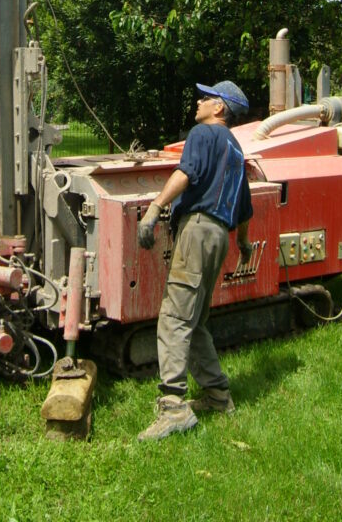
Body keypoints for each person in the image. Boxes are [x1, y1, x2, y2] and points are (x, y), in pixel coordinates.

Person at [136, 80, 253, 441]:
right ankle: (218, 395)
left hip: (198, 229)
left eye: (206, 97)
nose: (199, 101)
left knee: (174, 317)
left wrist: (154, 209)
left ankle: (174, 407)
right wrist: (245, 244)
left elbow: (184, 174)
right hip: (220, 237)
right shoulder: (236, 150)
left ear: (219, 109)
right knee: (197, 320)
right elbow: (245, 208)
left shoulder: (203, 134)